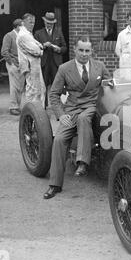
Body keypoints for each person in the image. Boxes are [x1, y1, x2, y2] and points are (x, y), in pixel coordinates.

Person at [43, 36, 111, 200]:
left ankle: (82, 162)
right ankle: (55, 185)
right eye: (81, 50)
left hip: (92, 107)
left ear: (92, 51)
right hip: (71, 110)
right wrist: (61, 114)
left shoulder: (99, 66)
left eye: (87, 50)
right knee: (59, 140)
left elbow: (110, 84)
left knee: (83, 118)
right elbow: (53, 94)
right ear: (74, 49)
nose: (84, 54)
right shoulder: (64, 68)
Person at [34, 12, 67, 107]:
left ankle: (57, 106)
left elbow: (65, 47)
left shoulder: (58, 32)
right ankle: (43, 106)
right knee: (42, 86)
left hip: (55, 63)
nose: (49, 25)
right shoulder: (38, 33)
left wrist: (59, 49)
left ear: (53, 23)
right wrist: (43, 46)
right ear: (44, 22)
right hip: (43, 63)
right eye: (47, 23)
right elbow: (34, 48)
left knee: (57, 86)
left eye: (51, 23)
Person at [17, 13, 46, 106]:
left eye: (33, 22)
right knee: (33, 90)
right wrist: (41, 51)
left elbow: (39, 46)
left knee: (39, 89)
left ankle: (37, 112)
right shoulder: (23, 35)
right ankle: (32, 112)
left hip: (33, 65)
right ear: (23, 22)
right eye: (30, 22)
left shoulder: (28, 33)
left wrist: (39, 47)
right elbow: (37, 50)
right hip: (30, 65)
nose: (32, 24)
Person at [1, 18, 25, 115]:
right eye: (22, 26)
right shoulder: (9, 36)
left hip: (22, 64)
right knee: (14, 86)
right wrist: (11, 63)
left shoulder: (22, 36)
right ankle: (13, 107)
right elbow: (4, 51)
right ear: (18, 26)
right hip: (13, 64)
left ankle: (17, 106)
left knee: (20, 87)